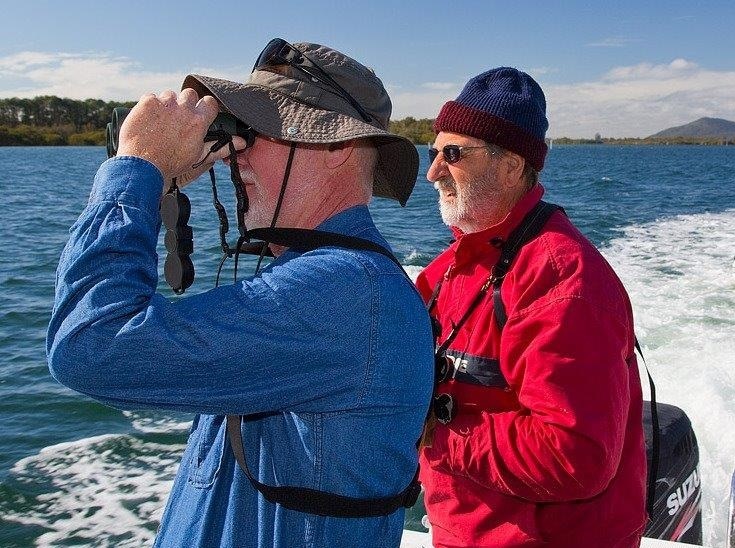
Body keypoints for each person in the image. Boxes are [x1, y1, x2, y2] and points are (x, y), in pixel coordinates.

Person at [47, 40, 433, 547]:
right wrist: (161, 185)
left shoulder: (346, 292)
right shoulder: (326, 279)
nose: (236, 154)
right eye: (238, 133)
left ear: (336, 146)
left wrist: (137, 169)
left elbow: (91, 345)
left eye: (257, 132)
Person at [415, 67, 648, 547]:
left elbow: (574, 457)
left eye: (453, 154)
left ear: (511, 166)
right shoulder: (443, 276)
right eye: (433, 152)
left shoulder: (563, 280)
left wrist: (439, 434)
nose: (433, 171)